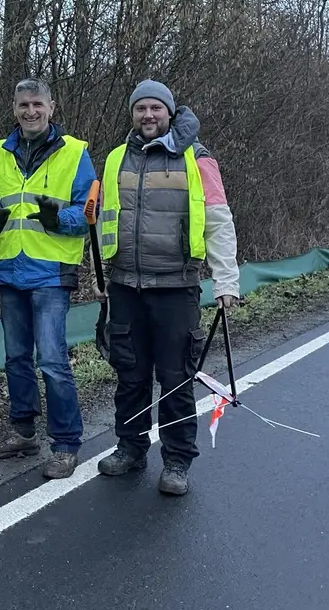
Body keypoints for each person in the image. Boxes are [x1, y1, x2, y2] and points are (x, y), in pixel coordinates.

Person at [94, 79, 242, 496]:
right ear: (133, 113)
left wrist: (226, 280)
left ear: (170, 113)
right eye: (141, 108)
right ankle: (131, 447)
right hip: (126, 286)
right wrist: (103, 276)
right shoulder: (117, 158)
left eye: (156, 108)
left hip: (177, 288)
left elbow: (218, 219)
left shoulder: (197, 158)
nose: (148, 116)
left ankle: (177, 460)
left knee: (176, 379)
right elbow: (106, 219)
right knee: (130, 374)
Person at [0, 78, 96, 479]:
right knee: (15, 358)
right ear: (14, 109)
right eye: (23, 105)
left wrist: (58, 218)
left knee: (53, 359)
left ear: (51, 107)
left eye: (37, 105)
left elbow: (89, 214)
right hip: (11, 269)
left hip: (51, 273)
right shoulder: (1, 152)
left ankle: (65, 444)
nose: (31, 112)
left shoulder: (76, 153)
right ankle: (23, 430)